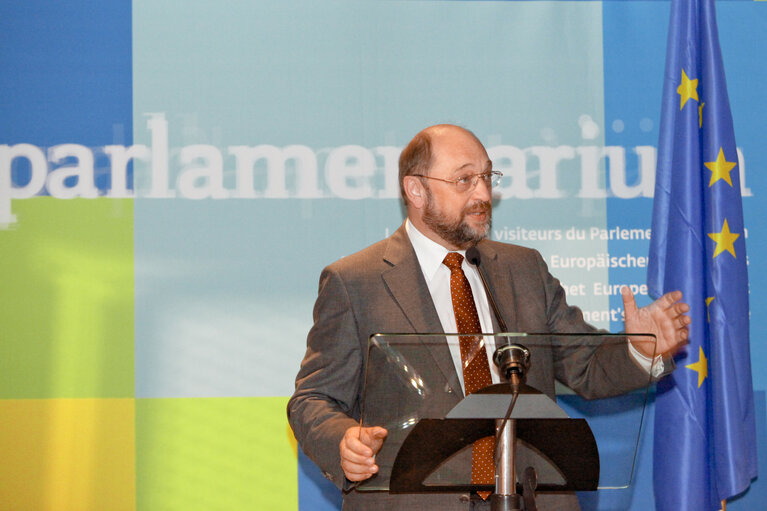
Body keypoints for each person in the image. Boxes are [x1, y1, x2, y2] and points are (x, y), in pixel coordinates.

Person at [287, 124, 690, 510]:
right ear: (416, 189)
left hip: (530, 498)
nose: (483, 193)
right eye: (464, 180)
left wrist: (638, 349)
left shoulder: (523, 268)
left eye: (487, 177)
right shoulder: (356, 281)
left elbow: (585, 365)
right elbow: (312, 399)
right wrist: (343, 441)